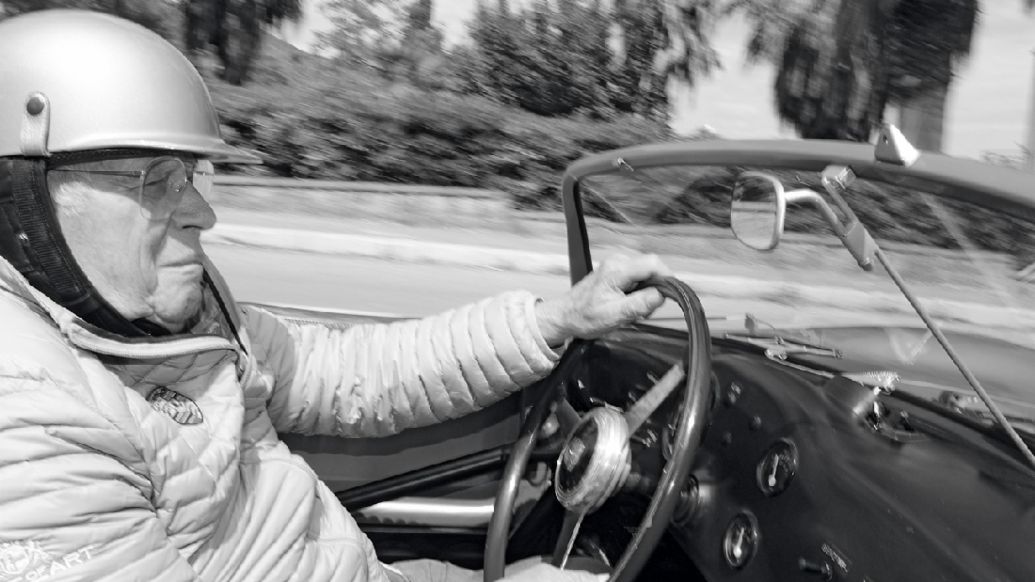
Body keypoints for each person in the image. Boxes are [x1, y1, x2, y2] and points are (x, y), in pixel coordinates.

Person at [0, 9, 672, 582]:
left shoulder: (173, 321)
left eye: (192, 176)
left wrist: (556, 320)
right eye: (155, 181)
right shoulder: (29, 425)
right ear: (24, 205)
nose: (202, 213)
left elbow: (350, 373)